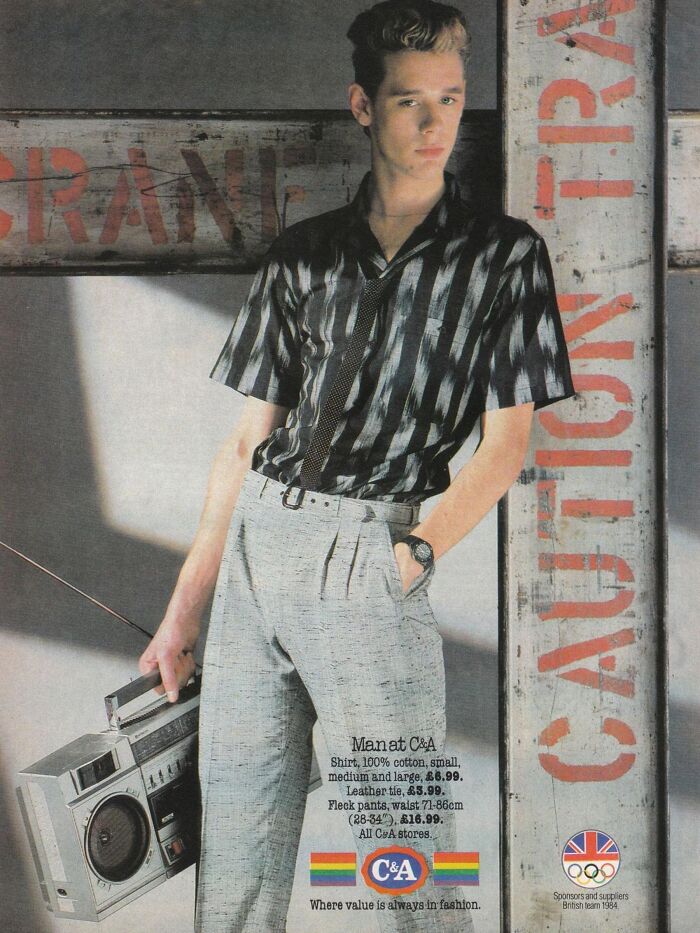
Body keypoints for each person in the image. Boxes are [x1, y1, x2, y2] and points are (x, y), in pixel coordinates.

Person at [139, 1, 575, 929]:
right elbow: (245, 444)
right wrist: (185, 613)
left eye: (450, 100)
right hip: (262, 549)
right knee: (239, 866)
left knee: (405, 867)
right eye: (410, 101)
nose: (434, 124)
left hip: (372, 553)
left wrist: (411, 555)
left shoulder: (504, 260)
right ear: (364, 106)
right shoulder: (305, 256)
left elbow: (506, 448)